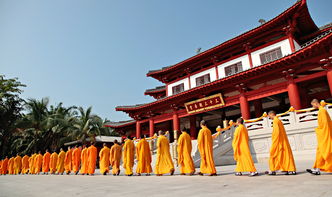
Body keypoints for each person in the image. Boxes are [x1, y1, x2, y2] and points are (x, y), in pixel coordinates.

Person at [265, 111, 296, 175]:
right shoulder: (278, 120)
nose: (268, 117)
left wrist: (274, 142)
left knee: (273, 154)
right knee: (284, 156)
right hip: (282, 141)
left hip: (278, 141)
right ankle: (288, 169)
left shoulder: (275, 121)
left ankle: (273, 170)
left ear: (271, 114)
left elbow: (276, 133)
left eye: (269, 115)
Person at [307, 99, 332, 175]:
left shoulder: (322, 111)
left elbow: (325, 124)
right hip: (323, 135)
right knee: (320, 152)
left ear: (315, 103)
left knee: (326, 152)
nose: (313, 106)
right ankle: (316, 169)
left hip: (324, 135)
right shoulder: (321, 110)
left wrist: (318, 130)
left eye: (312, 104)